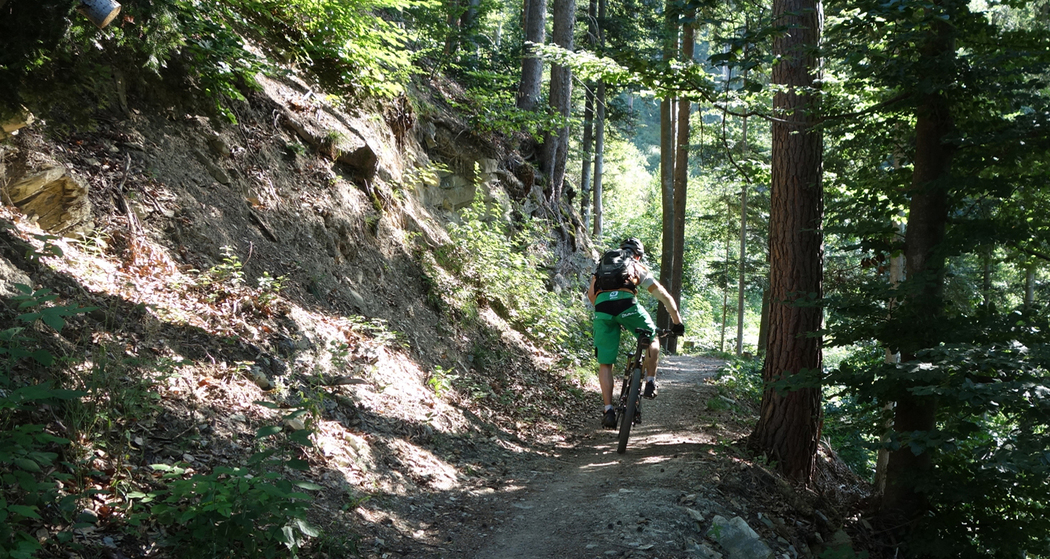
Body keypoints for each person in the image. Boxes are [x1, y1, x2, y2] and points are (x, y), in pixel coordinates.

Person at [587, 238, 685, 429]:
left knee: (605, 363)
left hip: (602, 309)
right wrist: (677, 323)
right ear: (638, 255)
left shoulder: (603, 266)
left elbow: (591, 295)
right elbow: (664, 296)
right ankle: (650, 381)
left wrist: (609, 314)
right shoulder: (635, 266)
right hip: (627, 305)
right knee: (652, 337)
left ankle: (608, 410)